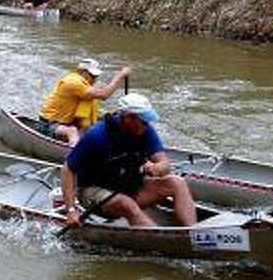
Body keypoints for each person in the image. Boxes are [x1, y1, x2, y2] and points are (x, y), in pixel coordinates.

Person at [60, 93, 196, 229]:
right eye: (143, 120)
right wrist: (70, 210)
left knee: (177, 183)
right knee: (127, 204)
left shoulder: (145, 130)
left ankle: (194, 233)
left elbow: (164, 162)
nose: (146, 125)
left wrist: (157, 168)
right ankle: (163, 239)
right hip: (92, 190)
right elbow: (68, 169)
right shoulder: (97, 135)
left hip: (128, 184)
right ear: (128, 118)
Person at [38, 58, 131, 145]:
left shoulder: (84, 85)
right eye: (92, 75)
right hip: (48, 124)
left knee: (102, 125)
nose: (94, 79)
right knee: (72, 131)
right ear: (81, 72)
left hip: (67, 124)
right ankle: (74, 157)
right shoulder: (73, 82)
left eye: (96, 76)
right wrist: (121, 75)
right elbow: (104, 94)